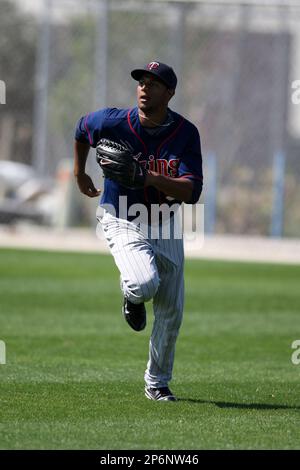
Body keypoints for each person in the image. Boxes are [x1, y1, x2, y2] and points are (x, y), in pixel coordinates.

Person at [74, 61, 203, 401]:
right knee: (143, 282)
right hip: (121, 216)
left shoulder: (186, 134)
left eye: (155, 83)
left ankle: (157, 382)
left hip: (167, 222)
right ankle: (131, 297)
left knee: (171, 310)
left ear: (170, 93)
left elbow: (191, 192)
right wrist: (79, 173)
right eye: (142, 82)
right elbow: (81, 128)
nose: (145, 87)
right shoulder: (114, 122)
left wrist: (147, 177)